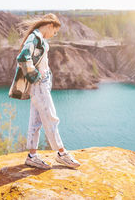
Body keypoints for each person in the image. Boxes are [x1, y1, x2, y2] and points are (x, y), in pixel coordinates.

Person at [9, 13, 81, 169]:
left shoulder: (37, 37)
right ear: (50, 25)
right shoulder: (35, 38)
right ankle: (62, 154)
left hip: (42, 84)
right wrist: (35, 76)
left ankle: (32, 156)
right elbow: (23, 57)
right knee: (51, 117)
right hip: (40, 85)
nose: (53, 36)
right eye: (54, 32)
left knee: (36, 122)